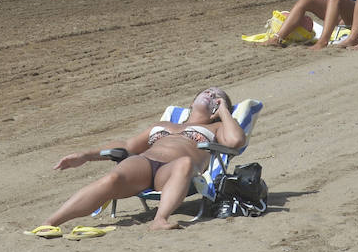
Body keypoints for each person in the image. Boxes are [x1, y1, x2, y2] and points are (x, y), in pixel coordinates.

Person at [33, 87, 246, 234]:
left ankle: (160, 219)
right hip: (145, 164)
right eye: (207, 91)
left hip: (176, 172)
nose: (211, 94)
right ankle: (50, 223)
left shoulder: (216, 127)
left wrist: (225, 111)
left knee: (185, 163)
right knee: (112, 179)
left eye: (218, 97)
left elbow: (236, 141)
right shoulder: (163, 124)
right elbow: (127, 146)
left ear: (216, 112)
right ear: (192, 102)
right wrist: (86, 156)